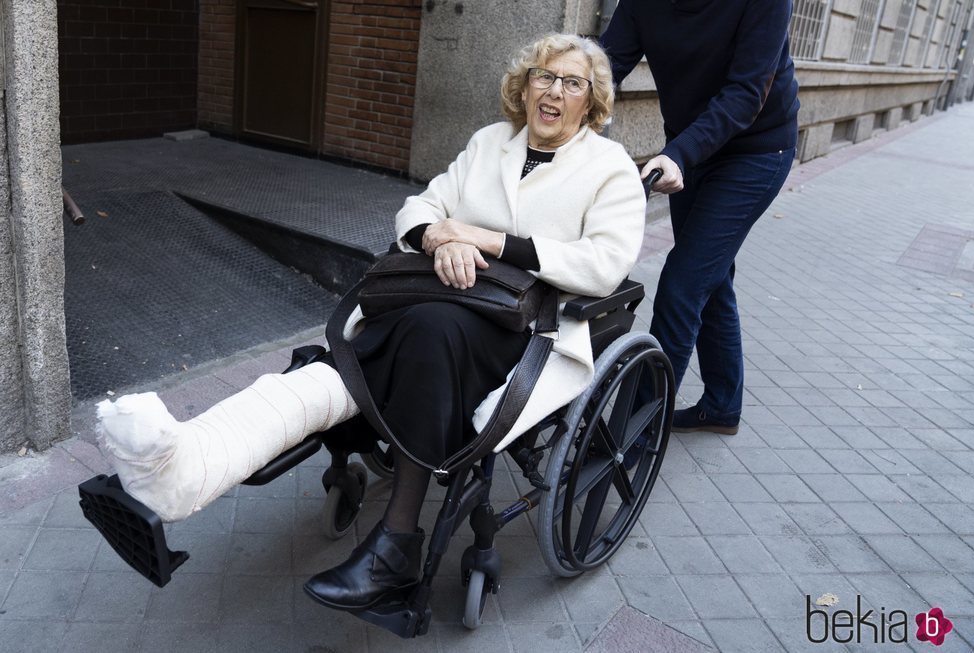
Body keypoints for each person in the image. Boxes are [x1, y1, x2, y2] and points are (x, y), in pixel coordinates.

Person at [96, 33, 646, 611]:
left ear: (592, 101)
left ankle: (398, 544)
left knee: (424, 334)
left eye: (571, 82)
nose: (553, 90)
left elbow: (605, 264)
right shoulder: (491, 143)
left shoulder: (606, 167)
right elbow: (420, 207)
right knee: (357, 354)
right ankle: (181, 464)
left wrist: (488, 240)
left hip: (527, 329)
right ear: (524, 84)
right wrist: (438, 238)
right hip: (436, 298)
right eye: (543, 76)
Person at [600, 0, 800, 435]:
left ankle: (631, 437)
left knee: (683, 284)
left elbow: (747, 91)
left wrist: (678, 155)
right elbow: (605, 65)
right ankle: (723, 405)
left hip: (757, 151)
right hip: (690, 147)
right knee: (709, 276)